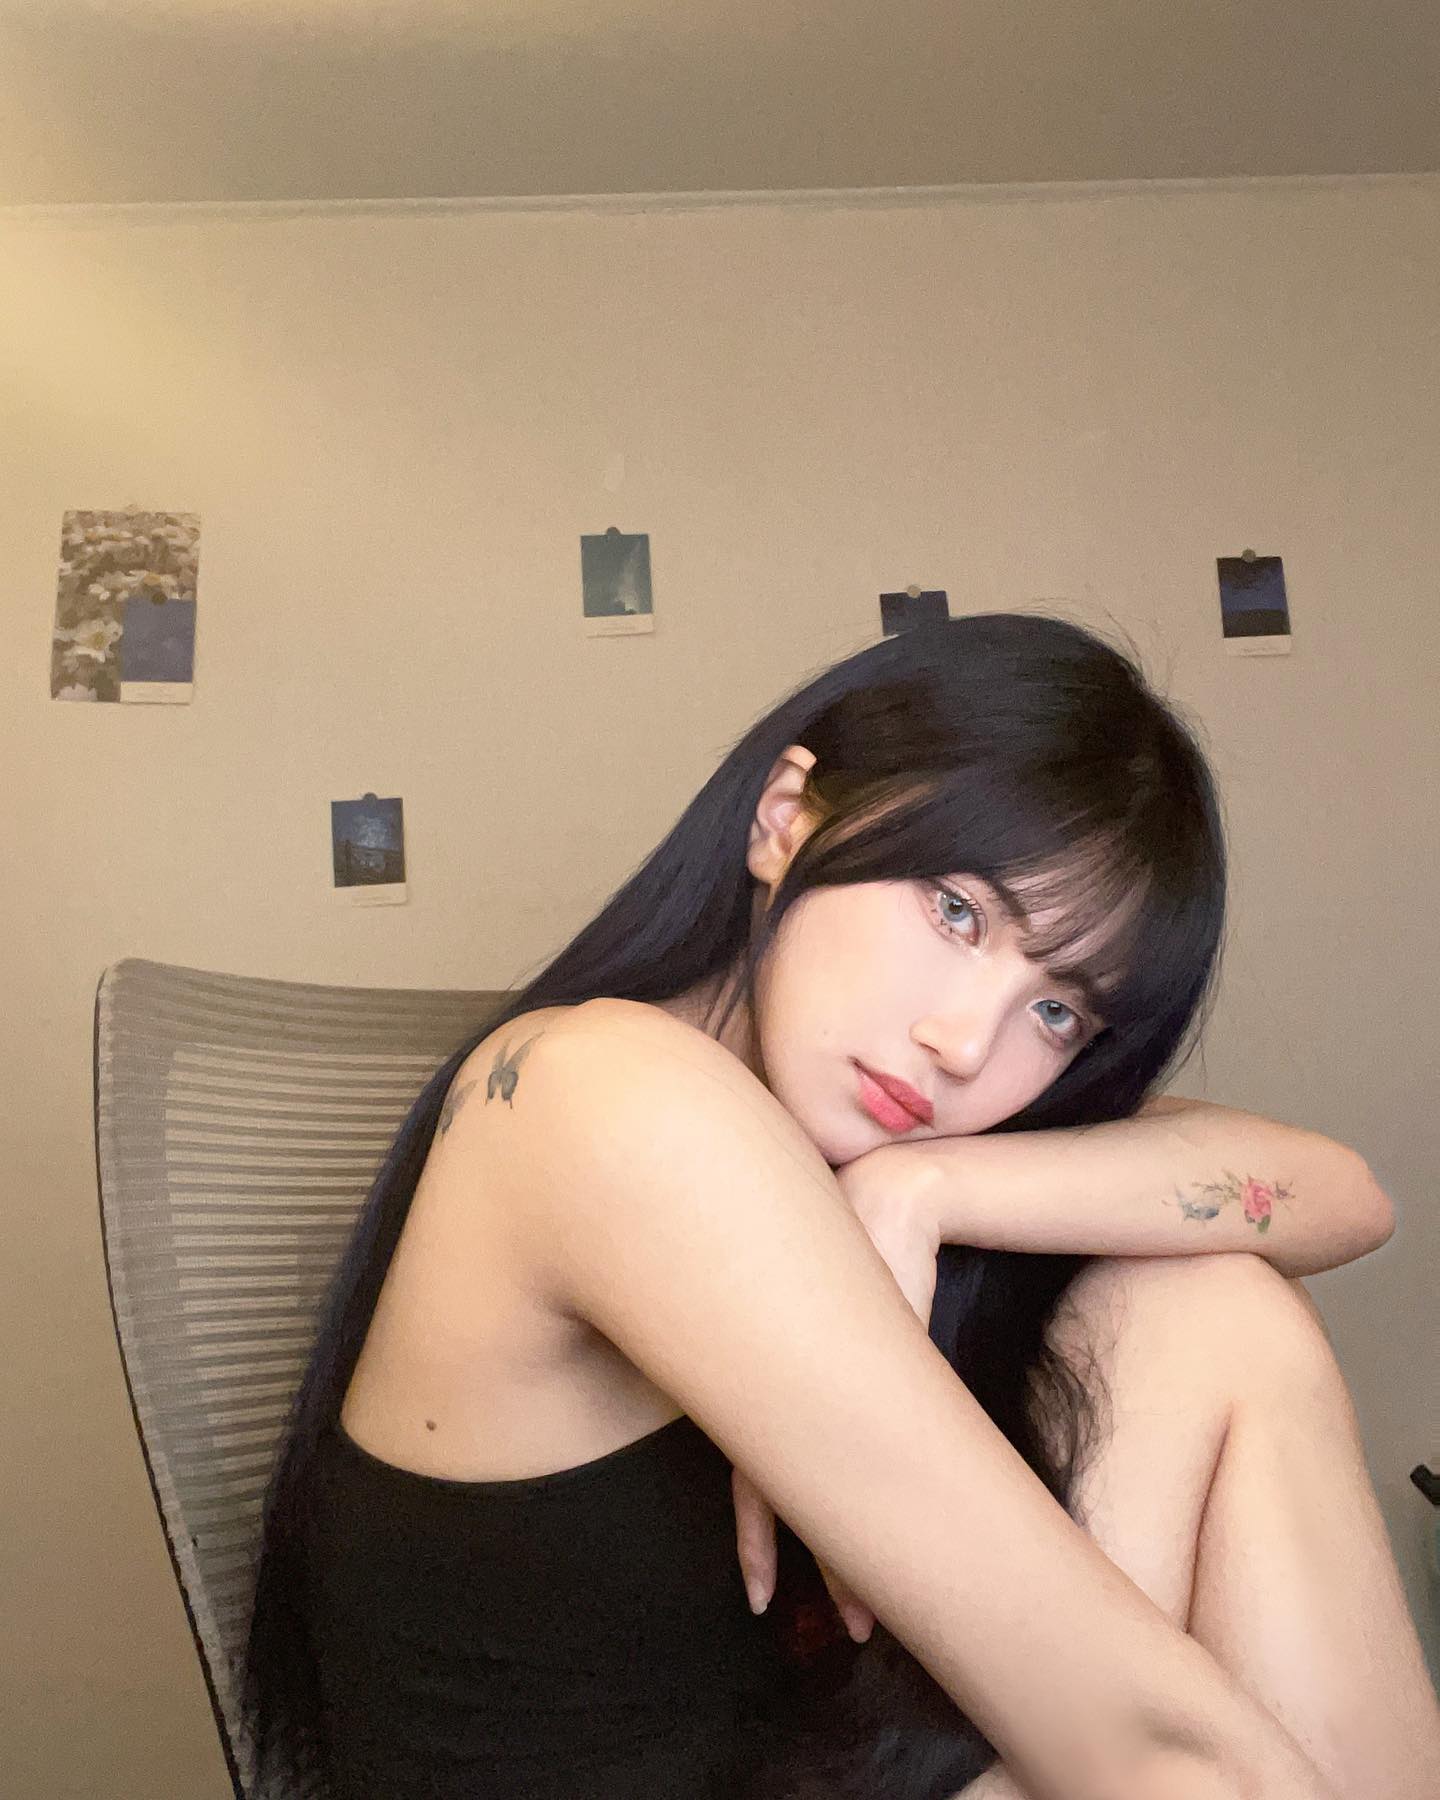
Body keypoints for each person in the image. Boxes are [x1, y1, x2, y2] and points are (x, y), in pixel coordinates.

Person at [240, 612, 1437, 1800]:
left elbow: (1342, 1196)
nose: (964, 1042)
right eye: (958, 911)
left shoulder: (845, 1137)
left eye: (1056, 1011)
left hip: (806, 1763)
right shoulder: (601, 1093)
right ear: (785, 819)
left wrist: (927, 1184)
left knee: (1216, 1306)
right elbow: (1151, 1752)